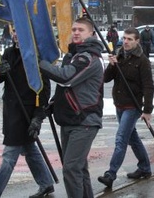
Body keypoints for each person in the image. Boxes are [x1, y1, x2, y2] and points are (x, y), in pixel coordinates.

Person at [39, 17, 105, 198]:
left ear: (91, 33)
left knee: (71, 169)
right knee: (79, 168)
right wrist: (53, 105)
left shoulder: (89, 57)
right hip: (70, 119)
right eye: (74, 29)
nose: (76, 32)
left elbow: (66, 77)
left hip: (84, 120)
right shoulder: (75, 55)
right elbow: (66, 90)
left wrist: (39, 62)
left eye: (81, 30)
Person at [0, 28, 54, 198]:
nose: (16, 33)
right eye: (14, 30)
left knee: (9, 157)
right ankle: (46, 183)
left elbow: (44, 91)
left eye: (19, 30)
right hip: (11, 112)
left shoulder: (36, 56)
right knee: (30, 149)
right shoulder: (9, 52)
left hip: (26, 114)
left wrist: (38, 117)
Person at [98, 28, 154, 189]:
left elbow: (148, 86)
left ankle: (111, 174)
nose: (126, 42)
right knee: (132, 138)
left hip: (133, 106)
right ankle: (144, 167)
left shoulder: (142, 61)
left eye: (130, 39)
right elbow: (106, 79)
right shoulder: (119, 56)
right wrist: (111, 65)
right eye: (124, 38)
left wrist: (147, 110)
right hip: (119, 104)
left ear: (137, 41)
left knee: (121, 138)